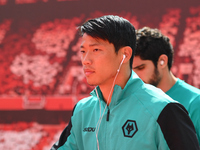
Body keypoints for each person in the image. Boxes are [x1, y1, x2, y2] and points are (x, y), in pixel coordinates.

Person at [51, 15, 199, 150]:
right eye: (83, 51)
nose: (86, 60)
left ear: (125, 54)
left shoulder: (164, 110)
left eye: (96, 49)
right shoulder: (82, 111)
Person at [132, 26, 200, 145]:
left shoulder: (195, 103)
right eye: (130, 70)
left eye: (140, 68)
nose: (134, 76)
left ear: (162, 61)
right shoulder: (133, 101)